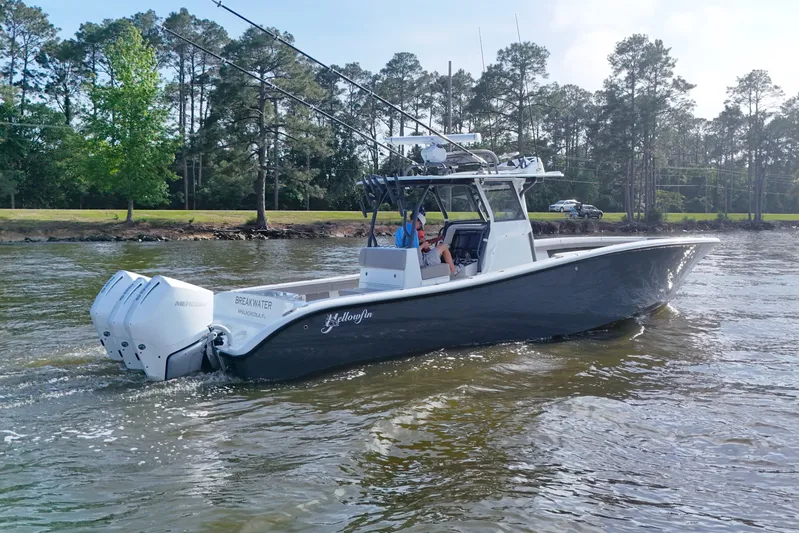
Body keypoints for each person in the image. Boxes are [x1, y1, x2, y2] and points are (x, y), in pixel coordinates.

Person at [394, 212, 459, 275]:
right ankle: (454, 270)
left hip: (406, 260)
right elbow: (414, 252)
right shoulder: (413, 231)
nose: (419, 227)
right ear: (417, 221)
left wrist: (421, 243)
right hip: (422, 261)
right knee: (444, 246)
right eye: (420, 225)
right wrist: (423, 245)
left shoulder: (400, 230)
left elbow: (407, 247)